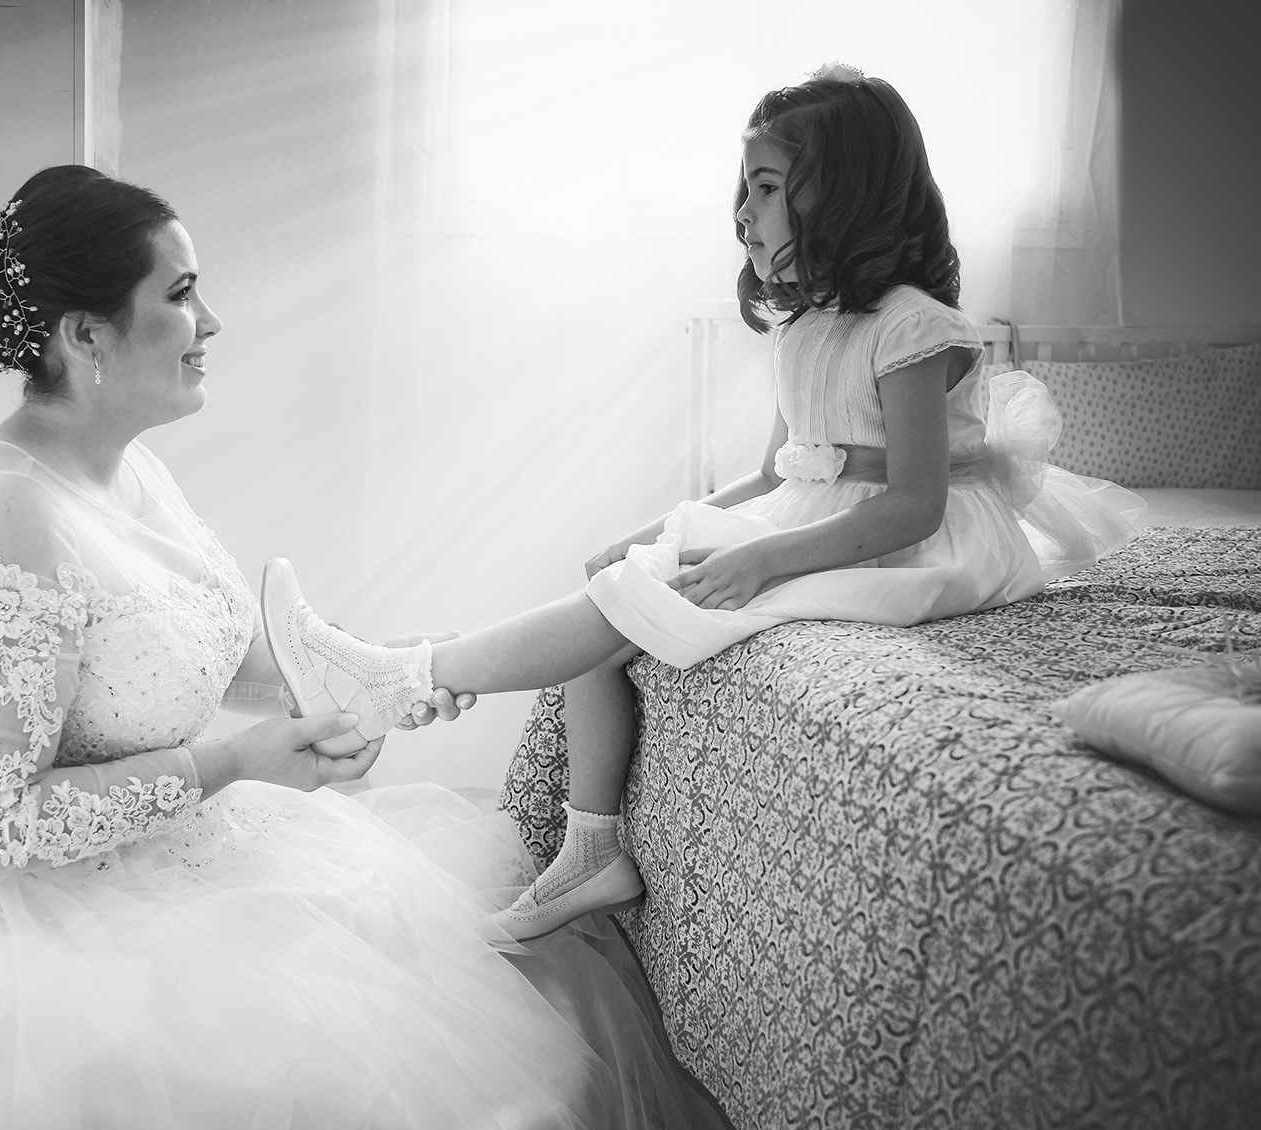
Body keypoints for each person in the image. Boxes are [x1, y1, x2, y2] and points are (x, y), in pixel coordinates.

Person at [0, 164, 791, 1130]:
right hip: (50, 938)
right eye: (182, 293)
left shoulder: (126, 469)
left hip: (192, 848)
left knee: (480, 1081)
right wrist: (234, 763)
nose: (211, 321)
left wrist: (351, 689)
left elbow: (202, 647)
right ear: (86, 336)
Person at [261, 64, 1144, 942]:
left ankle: (396, 674)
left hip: (917, 545)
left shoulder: (914, 326)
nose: (742, 211)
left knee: (626, 603)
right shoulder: (805, 324)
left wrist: (761, 558)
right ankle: (585, 842)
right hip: (819, 517)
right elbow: (776, 472)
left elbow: (914, 504)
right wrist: (648, 532)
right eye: (745, 187)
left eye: (767, 188)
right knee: (620, 585)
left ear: (843, 194)